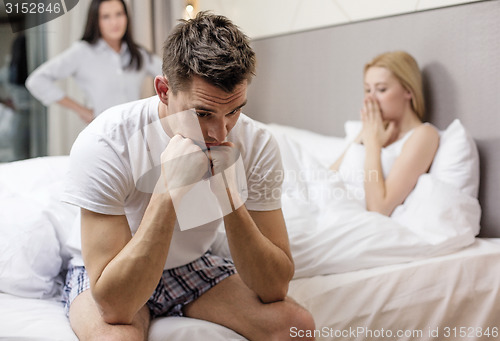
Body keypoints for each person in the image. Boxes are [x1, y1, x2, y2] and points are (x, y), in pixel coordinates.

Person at [60, 11, 315, 341]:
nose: (220, 132)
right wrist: (168, 189)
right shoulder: (106, 142)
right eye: (203, 113)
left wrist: (230, 194)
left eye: (234, 110)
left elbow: (274, 287)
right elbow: (116, 308)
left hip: (189, 266)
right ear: (164, 91)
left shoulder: (258, 143)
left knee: (297, 326)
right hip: (113, 270)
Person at [331, 51, 439, 216]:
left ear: (408, 91)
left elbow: (379, 208)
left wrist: (373, 144)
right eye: (367, 90)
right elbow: (328, 175)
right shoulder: (370, 129)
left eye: (381, 89)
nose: (370, 99)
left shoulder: (424, 134)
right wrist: (365, 134)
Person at [25, 0, 161, 123]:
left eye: (119, 14)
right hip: (102, 134)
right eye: (106, 17)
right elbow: (36, 80)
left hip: (136, 133)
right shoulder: (82, 52)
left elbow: (170, 72)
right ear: (96, 21)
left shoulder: (138, 54)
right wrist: (81, 110)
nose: (114, 22)